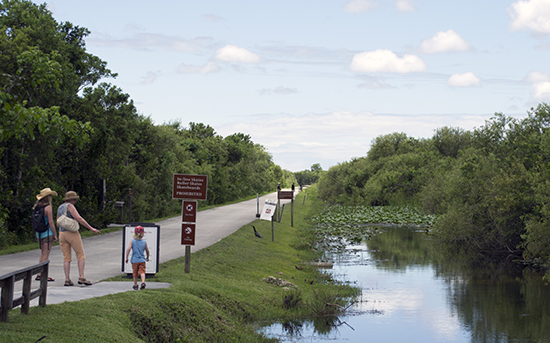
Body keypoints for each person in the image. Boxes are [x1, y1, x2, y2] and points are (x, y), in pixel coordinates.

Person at [57, 191, 101, 286]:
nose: (75, 200)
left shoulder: (60, 207)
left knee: (66, 257)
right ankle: (81, 276)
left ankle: (67, 279)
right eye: (74, 199)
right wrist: (91, 228)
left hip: (61, 233)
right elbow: (79, 218)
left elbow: (57, 222)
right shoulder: (70, 206)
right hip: (72, 232)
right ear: (71, 199)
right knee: (80, 254)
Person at [33, 188, 58, 282]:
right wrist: (55, 234)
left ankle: (40, 273)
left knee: (43, 253)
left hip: (39, 233)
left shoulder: (37, 207)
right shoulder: (48, 208)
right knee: (46, 254)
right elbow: (51, 222)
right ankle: (43, 274)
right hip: (47, 233)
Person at [125, 225, 150, 290]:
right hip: (142, 260)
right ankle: (143, 282)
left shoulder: (132, 241)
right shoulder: (144, 242)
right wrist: (147, 257)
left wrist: (126, 257)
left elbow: (128, 249)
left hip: (134, 260)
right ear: (142, 234)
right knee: (142, 272)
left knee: (135, 273)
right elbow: (147, 250)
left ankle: (135, 285)